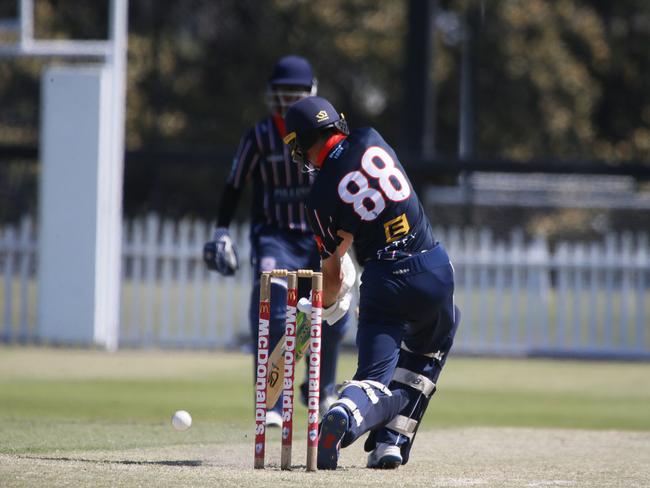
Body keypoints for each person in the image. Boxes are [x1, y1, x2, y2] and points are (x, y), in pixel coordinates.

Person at [284, 96, 461, 469]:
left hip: (385, 284)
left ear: (301, 144)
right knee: (430, 347)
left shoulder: (319, 200)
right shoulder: (371, 137)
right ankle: (390, 443)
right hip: (433, 267)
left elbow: (331, 277)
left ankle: (348, 412)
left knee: (373, 380)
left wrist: (323, 305)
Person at [203, 57, 350, 427]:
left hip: (320, 237)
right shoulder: (259, 136)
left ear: (310, 94)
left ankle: (322, 387)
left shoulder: (326, 137)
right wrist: (222, 229)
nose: (287, 104)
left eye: (294, 96)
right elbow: (235, 183)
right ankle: (271, 400)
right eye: (282, 96)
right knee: (273, 307)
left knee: (335, 309)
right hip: (275, 235)